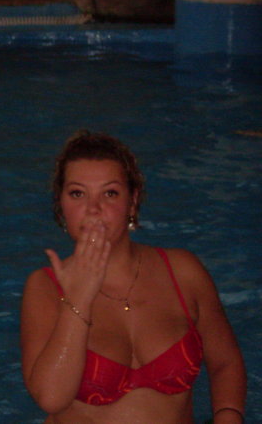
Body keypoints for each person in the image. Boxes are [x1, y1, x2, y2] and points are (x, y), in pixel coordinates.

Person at [20, 130, 247, 423]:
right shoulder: (45, 287)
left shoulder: (182, 271)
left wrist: (228, 416)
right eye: (77, 193)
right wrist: (79, 299)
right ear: (61, 204)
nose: (93, 209)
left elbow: (225, 362)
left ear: (133, 201)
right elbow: (51, 397)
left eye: (110, 193)